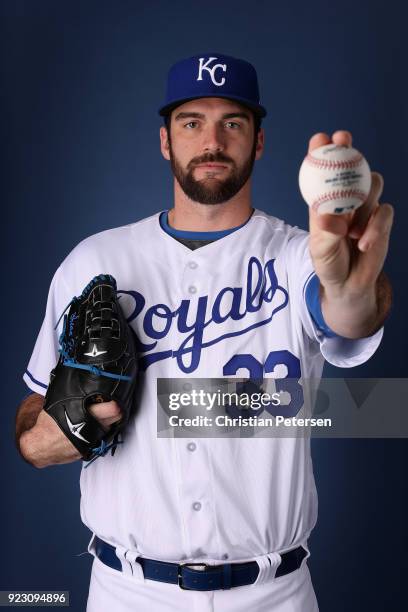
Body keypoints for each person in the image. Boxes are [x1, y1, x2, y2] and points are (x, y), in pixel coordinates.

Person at [15, 53, 393, 611]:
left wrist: (355, 292)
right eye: (192, 122)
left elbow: (346, 310)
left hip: (274, 595)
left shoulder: (298, 255)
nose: (211, 139)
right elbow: (30, 419)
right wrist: (53, 431)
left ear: (259, 142)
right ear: (166, 140)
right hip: (127, 591)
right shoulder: (95, 259)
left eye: (232, 123)